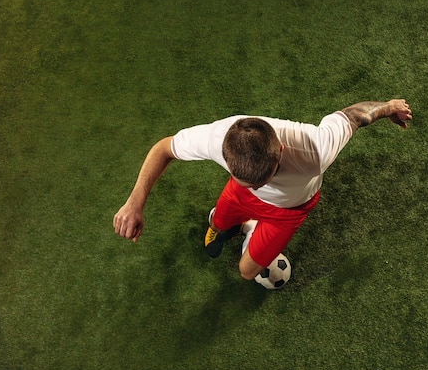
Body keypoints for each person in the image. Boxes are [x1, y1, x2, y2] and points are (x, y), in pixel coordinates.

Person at [113, 99, 412, 280]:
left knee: (246, 273)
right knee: (216, 223)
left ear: (281, 151)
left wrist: (388, 108)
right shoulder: (215, 138)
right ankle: (243, 223)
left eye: (265, 180)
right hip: (239, 196)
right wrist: (134, 203)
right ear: (227, 159)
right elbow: (164, 148)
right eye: (252, 182)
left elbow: (355, 115)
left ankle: (252, 230)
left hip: (289, 211)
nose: (261, 187)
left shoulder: (314, 148)